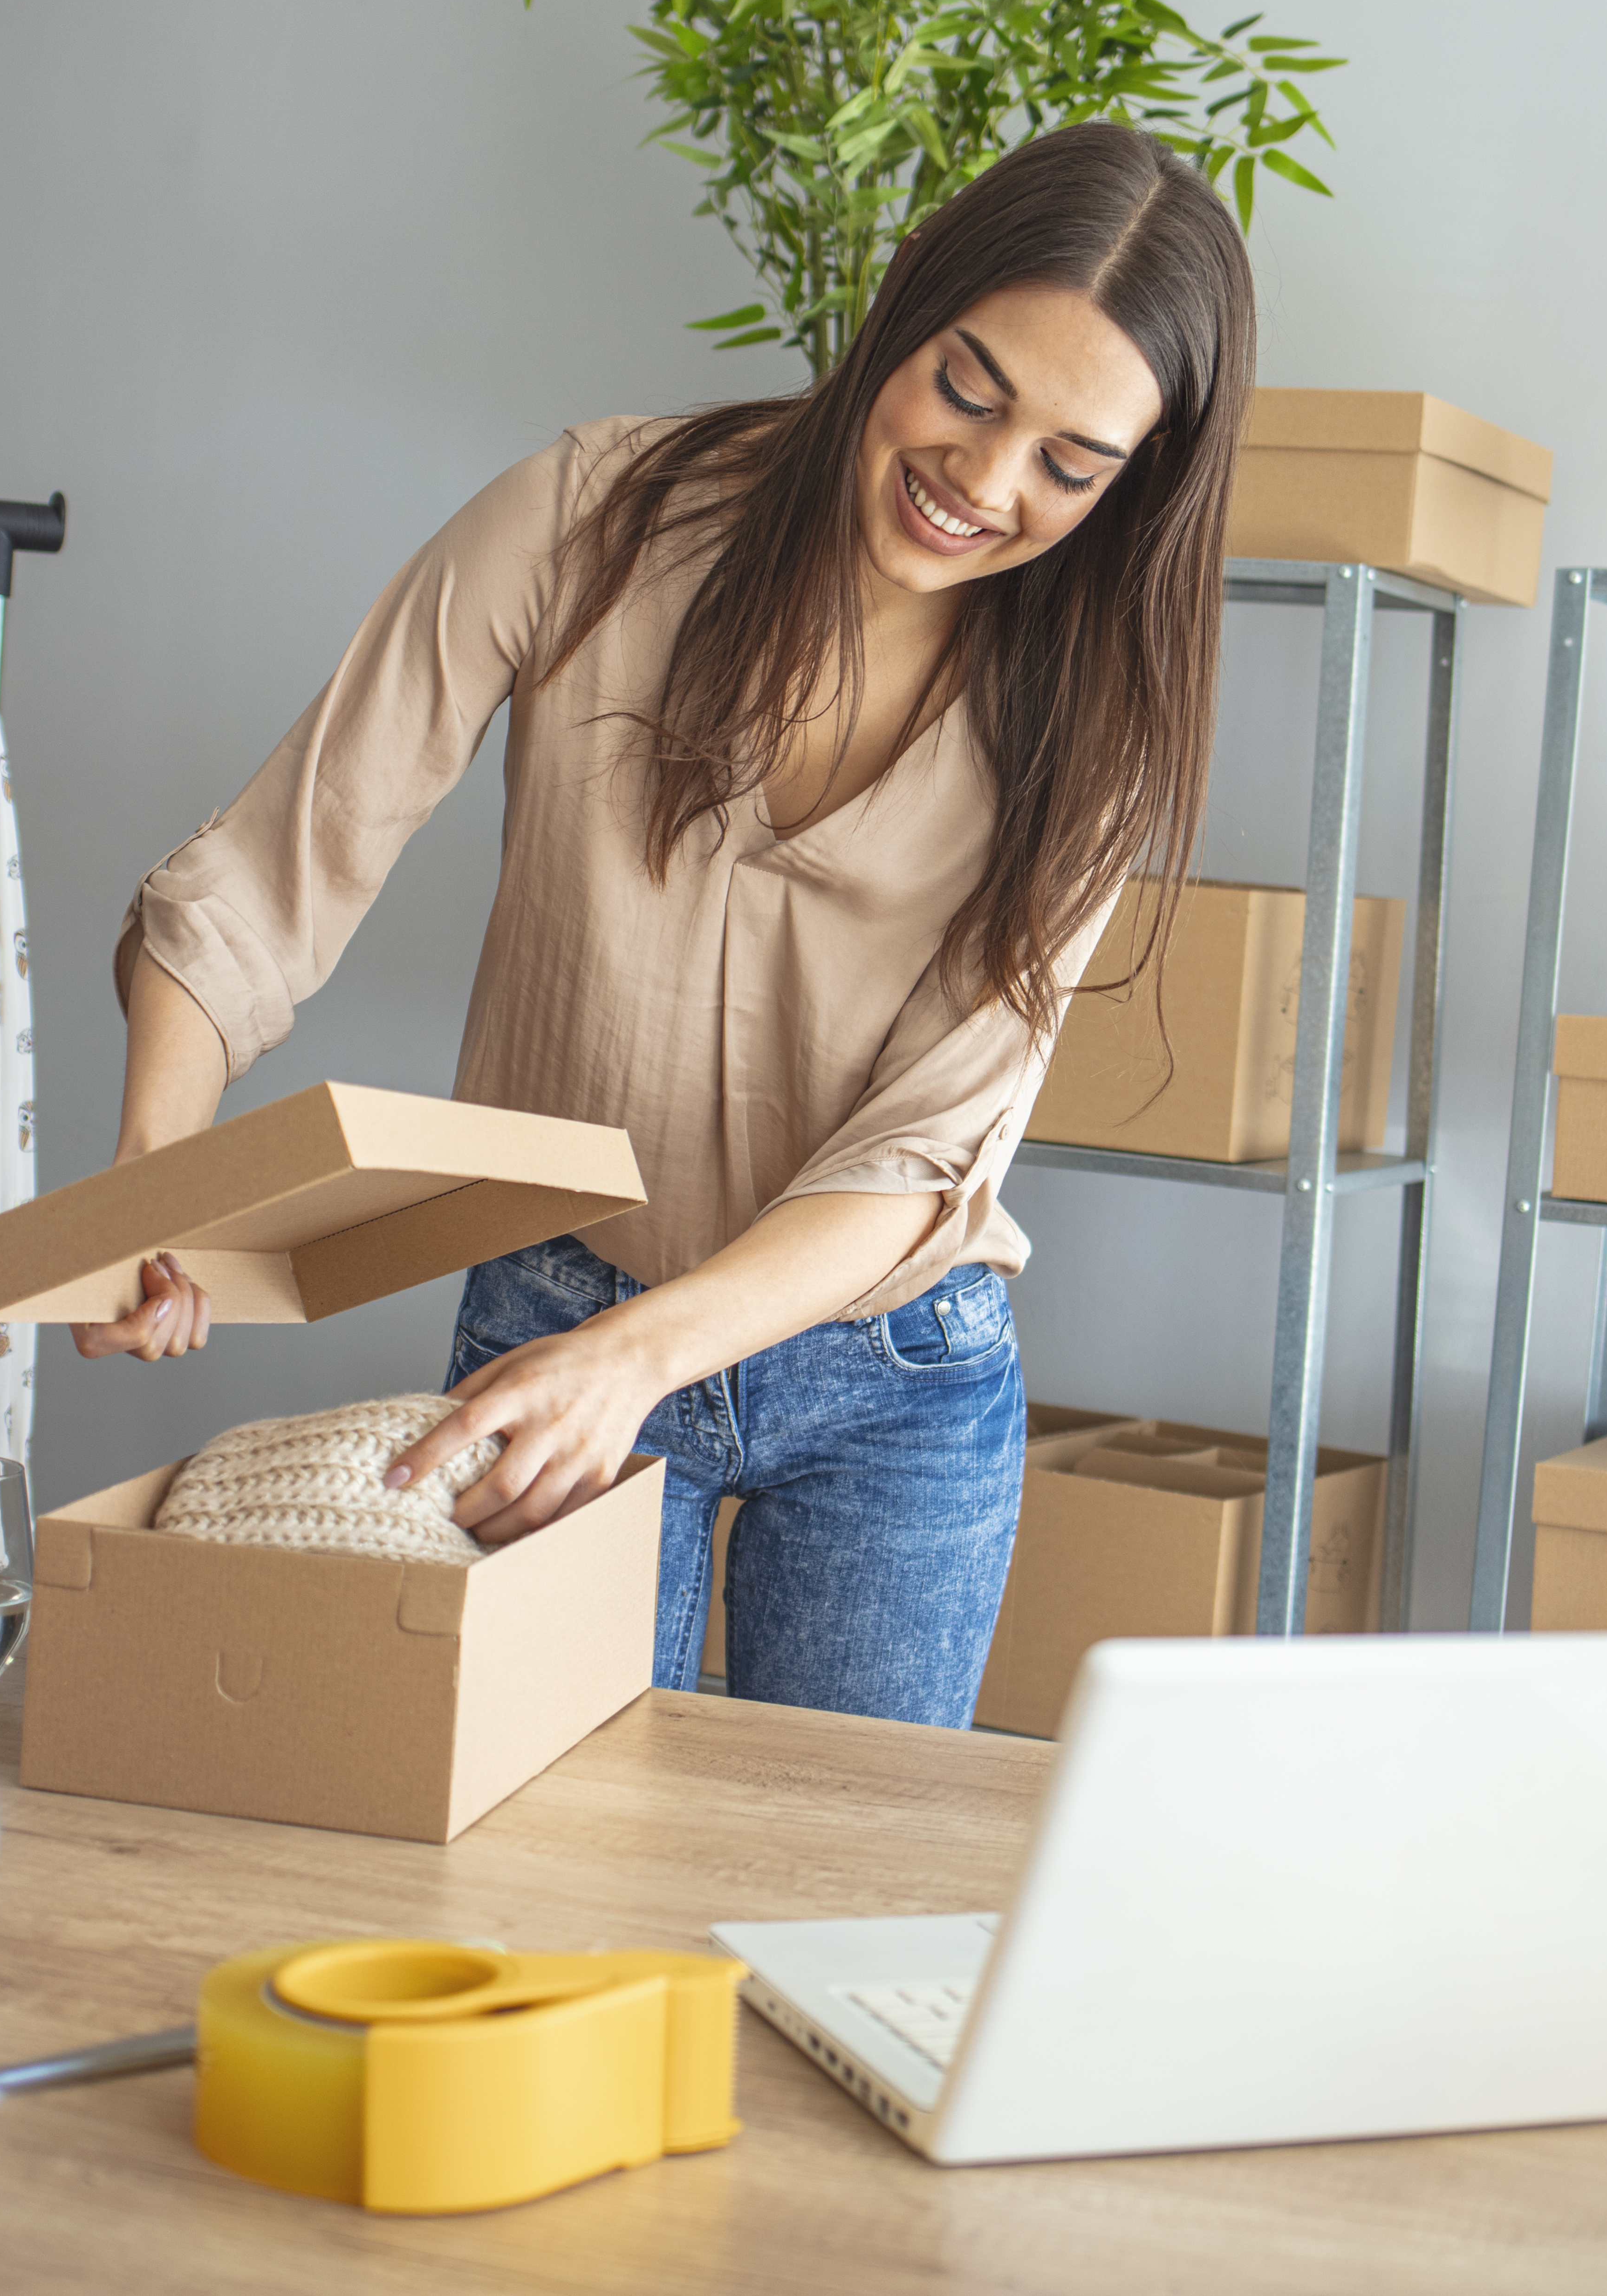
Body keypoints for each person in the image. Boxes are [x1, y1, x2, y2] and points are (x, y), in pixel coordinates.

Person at [75, 121, 1252, 1728]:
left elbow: (923, 1152)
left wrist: (642, 1358)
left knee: (835, 1872)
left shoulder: (1094, 722)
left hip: (891, 1381)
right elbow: (278, 864)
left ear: (1139, 482)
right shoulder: (594, 517)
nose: (985, 484)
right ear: (905, 297)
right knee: (544, 1850)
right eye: (968, 391)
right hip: (556, 1309)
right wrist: (156, 1173)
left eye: (1070, 464)